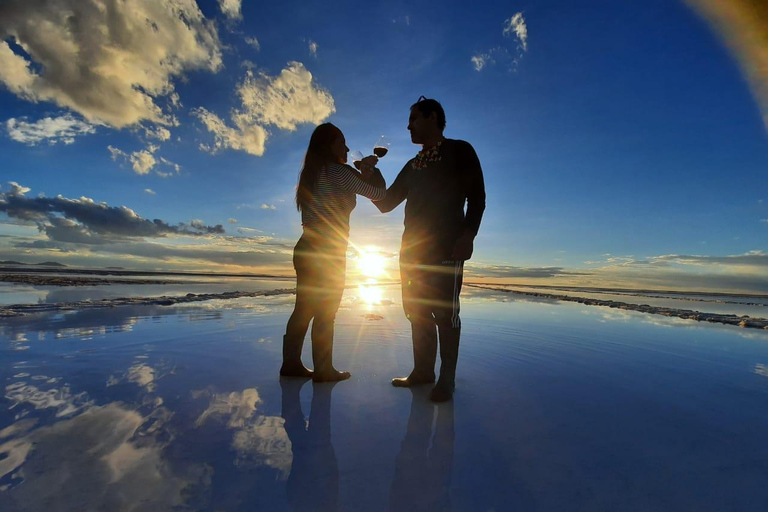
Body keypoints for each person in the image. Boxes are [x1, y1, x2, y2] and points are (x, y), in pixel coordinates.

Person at [373, 97, 485, 401]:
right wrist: (369, 175)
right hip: (411, 251)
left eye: (413, 119)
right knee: (416, 311)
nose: (408, 126)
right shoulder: (413, 165)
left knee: (446, 314)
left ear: (432, 117)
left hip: (447, 248)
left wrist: (469, 235)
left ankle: (446, 378)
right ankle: (423, 371)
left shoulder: (460, 151)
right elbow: (385, 203)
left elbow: (477, 198)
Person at [281, 123, 385, 382]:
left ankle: (291, 365)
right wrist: (373, 171)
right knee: (326, 311)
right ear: (329, 146)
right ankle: (324, 370)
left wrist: (363, 171)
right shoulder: (339, 172)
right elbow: (378, 194)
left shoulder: (313, 173)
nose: (347, 148)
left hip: (306, 247)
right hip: (327, 251)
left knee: (303, 309)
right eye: (341, 142)